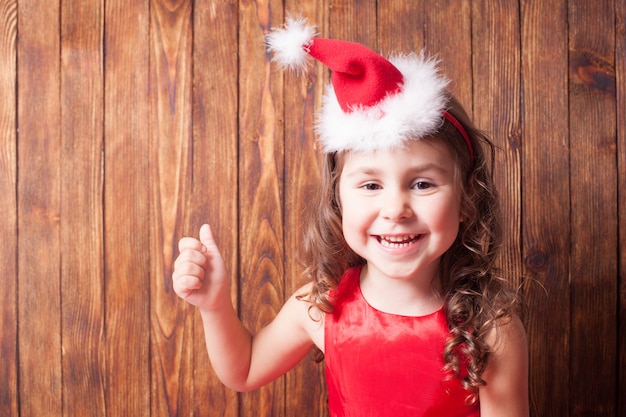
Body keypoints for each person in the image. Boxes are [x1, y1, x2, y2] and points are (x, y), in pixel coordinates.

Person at [173, 16, 529, 417]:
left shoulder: (491, 330)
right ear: (338, 202)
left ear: (466, 201)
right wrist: (215, 305)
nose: (395, 209)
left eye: (423, 184)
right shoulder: (321, 305)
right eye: (371, 186)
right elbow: (245, 370)